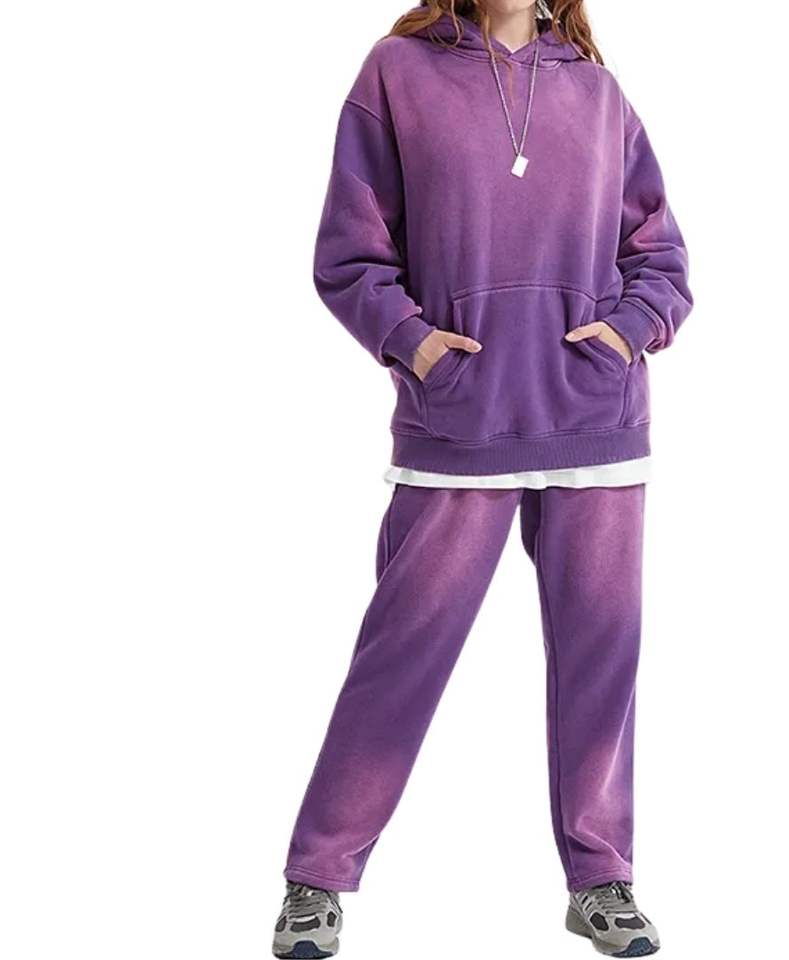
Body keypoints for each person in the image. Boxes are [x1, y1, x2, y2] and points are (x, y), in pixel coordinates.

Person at [272, 1, 692, 956]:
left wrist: (629, 333)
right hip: (458, 419)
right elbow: (348, 254)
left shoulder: (598, 90)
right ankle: (317, 878)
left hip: (595, 418)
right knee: (403, 652)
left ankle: (602, 878)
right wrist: (414, 345)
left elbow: (662, 256)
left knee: (601, 660)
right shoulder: (397, 74)